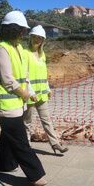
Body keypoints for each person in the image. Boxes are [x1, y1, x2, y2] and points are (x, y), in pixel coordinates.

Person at [0, 11, 47, 186]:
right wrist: (25, 94)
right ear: (12, 30)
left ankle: (4, 165)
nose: (24, 33)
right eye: (21, 29)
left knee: (8, 136)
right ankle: (36, 175)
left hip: (17, 103)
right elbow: (8, 81)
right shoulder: (2, 49)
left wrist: (29, 90)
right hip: (7, 105)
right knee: (21, 141)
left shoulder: (19, 48)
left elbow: (24, 76)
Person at [23, 25, 68, 154]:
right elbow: (24, 75)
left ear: (43, 40)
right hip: (30, 95)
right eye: (35, 37)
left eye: (40, 38)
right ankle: (25, 148)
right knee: (27, 123)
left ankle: (55, 144)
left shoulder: (42, 55)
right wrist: (30, 92)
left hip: (42, 95)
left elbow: (43, 74)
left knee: (47, 120)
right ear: (31, 37)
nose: (37, 40)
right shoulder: (25, 54)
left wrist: (47, 89)